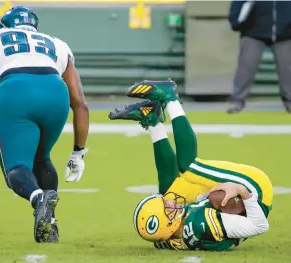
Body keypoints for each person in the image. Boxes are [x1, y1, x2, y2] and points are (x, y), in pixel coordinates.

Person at [0, 6, 89, 243]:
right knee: (42, 157)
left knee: (16, 167)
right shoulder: (57, 43)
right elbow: (80, 103)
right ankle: (50, 224)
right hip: (56, 93)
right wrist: (78, 152)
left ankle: (38, 198)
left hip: (17, 89)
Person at [108, 79, 273, 251]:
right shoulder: (205, 225)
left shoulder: (175, 235)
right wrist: (241, 191)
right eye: (166, 208)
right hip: (255, 190)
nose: (169, 203)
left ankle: (152, 120)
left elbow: (167, 235)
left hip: (229, 201)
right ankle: (170, 98)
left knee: (171, 189)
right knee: (188, 166)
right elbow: (260, 226)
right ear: (167, 225)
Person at [227, 1, 291, 113]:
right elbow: (239, 5)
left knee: (287, 69)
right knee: (246, 67)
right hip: (252, 32)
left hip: (285, 33)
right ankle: (237, 101)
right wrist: (236, 21)